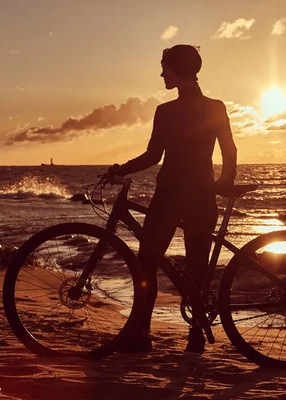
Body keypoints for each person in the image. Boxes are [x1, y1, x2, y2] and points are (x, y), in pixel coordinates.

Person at [108, 44, 237, 353]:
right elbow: (229, 150)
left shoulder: (165, 111)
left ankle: (141, 332)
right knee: (197, 267)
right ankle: (195, 336)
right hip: (201, 195)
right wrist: (222, 183)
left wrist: (120, 169)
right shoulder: (215, 106)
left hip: (168, 196)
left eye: (165, 66)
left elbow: (154, 156)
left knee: (146, 264)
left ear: (178, 70)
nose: (162, 72)